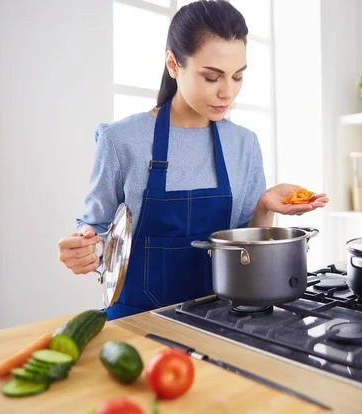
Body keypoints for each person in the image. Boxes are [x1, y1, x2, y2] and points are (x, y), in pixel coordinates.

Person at [57, 0, 328, 321]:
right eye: (212, 77)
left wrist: (264, 207)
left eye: (237, 76)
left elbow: (246, 252)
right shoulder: (121, 139)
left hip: (225, 320)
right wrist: (88, 249)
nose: (227, 92)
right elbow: (99, 232)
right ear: (173, 64)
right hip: (138, 323)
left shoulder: (244, 143)